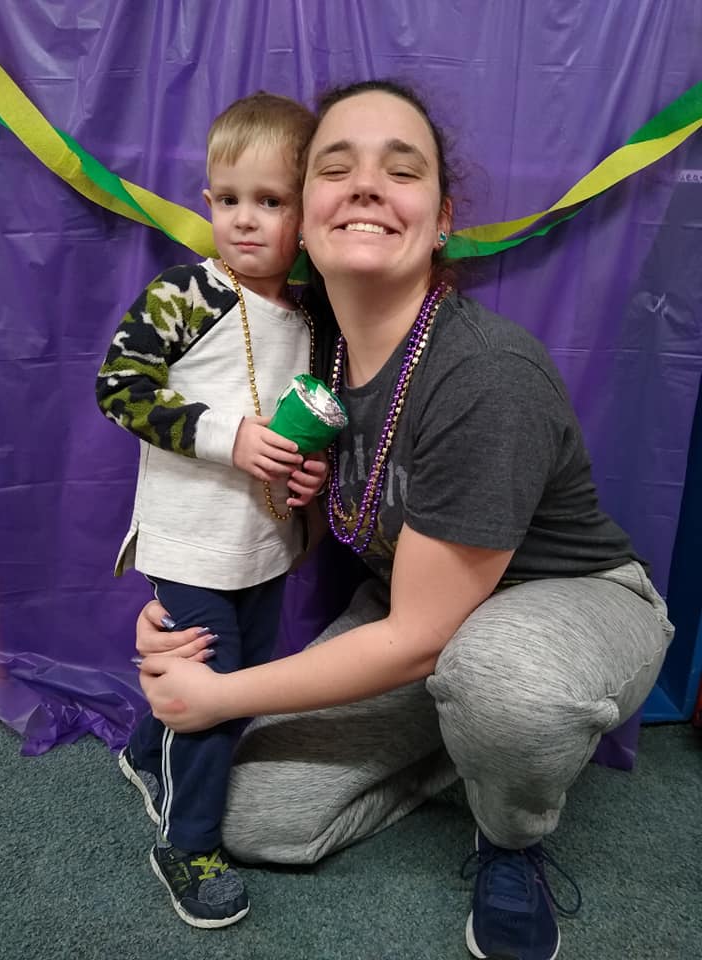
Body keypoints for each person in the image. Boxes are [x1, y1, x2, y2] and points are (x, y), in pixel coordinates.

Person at [132, 80, 674, 960]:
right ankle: (469, 741)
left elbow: (419, 637)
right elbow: (305, 523)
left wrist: (218, 695)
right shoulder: (308, 358)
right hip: (420, 617)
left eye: (403, 168)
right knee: (247, 816)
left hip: (567, 602)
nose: (367, 184)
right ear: (303, 221)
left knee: (508, 679)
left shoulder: (485, 373)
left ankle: (510, 839)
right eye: (334, 168)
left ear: (442, 216)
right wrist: (185, 610)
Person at [95, 92, 329, 929]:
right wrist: (225, 438)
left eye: (270, 202)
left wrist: (310, 476)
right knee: (217, 688)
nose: (245, 220)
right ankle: (187, 843)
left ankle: (139, 747)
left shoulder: (310, 314)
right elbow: (117, 386)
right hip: (191, 542)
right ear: (207, 202)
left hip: (266, 541)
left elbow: (309, 417)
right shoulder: (187, 292)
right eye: (229, 200)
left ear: (307, 213)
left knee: (243, 680)